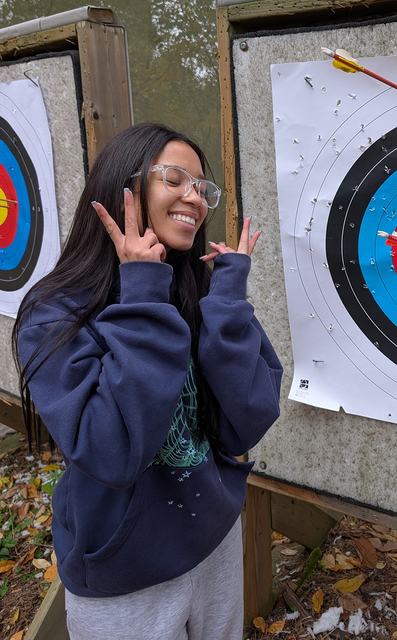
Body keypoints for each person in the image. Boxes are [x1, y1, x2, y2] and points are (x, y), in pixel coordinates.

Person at [13, 123, 283, 640]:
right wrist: (141, 294)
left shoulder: (197, 288)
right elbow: (110, 451)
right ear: (124, 187)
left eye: (201, 187)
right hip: (125, 571)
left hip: (215, 540)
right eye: (174, 179)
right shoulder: (54, 313)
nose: (194, 198)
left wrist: (228, 304)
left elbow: (246, 422)